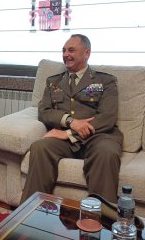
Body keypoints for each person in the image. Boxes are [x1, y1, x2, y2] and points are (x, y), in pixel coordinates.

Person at [20, 34, 123, 204]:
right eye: (64, 50)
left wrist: (69, 134)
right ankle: (32, 211)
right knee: (40, 147)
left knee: (107, 153)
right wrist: (69, 122)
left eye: (71, 50)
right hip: (64, 140)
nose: (66, 54)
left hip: (99, 136)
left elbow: (107, 117)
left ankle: (101, 220)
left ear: (87, 53)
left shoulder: (105, 80)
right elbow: (44, 111)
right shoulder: (53, 82)